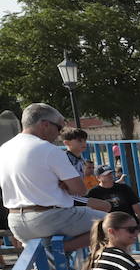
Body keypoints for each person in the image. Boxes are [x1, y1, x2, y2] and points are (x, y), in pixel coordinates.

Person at [0, 103, 111, 254]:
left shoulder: (4, 149)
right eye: (59, 128)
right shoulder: (48, 149)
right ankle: (62, 249)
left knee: (46, 267)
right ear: (45, 124)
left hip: (16, 222)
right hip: (49, 218)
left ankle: (51, 257)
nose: (59, 134)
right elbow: (80, 190)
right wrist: (63, 183)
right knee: (114, 224)